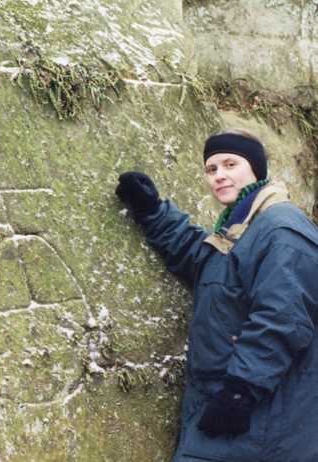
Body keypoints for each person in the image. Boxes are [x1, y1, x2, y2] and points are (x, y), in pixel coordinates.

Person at [115, 129, 318, 462]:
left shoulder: (282, 229)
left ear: (255, 169)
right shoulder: (242, 226)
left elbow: (282, 318)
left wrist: (240, 392)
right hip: (232, 407)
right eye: (211, 169)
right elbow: (204, 261)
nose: (220, 175)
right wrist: (153, 211)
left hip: (263, 420)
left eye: (230, 164)